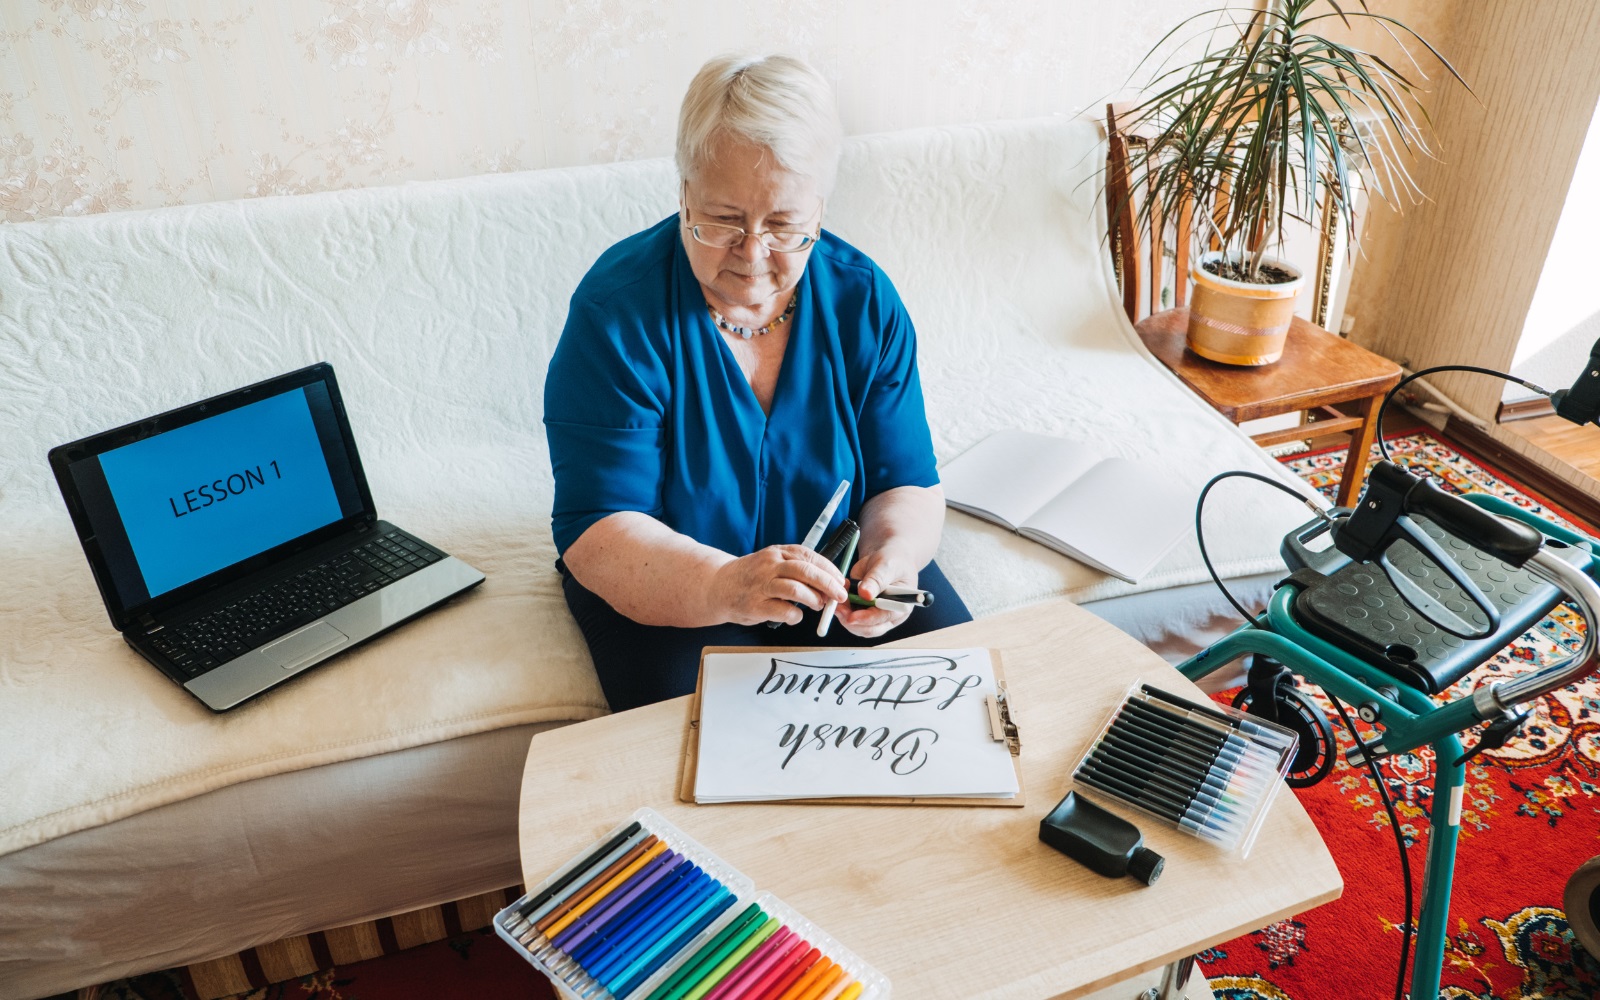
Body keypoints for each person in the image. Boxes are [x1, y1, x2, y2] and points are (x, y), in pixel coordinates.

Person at [545, 53, 971, 712]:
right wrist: (726, 585)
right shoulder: (617, 312)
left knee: (956, 693)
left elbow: (904, 482)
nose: (751, 254)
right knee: (694, 744)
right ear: (683, 190)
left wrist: (894, 559)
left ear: (820, 211)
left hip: (832, 569)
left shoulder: (864, 302)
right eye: (722, 219)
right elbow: (601, 527)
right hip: (670, 583)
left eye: (783, 226)